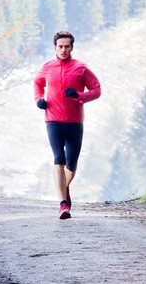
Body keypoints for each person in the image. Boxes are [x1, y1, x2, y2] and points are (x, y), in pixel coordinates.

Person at [34, 31, 101, 220]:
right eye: (60, 46)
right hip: (53, 119)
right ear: (55, 47)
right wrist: (39, 100)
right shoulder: (47, 67)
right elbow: (37, 84)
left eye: (67, 46)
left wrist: (79, 96)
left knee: (71, 163)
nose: (63, 49)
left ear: (72, 47)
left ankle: (64, 186)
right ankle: (63, 204)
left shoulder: (81, 68)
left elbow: (97, 90)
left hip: (74, 121)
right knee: (59, 158)